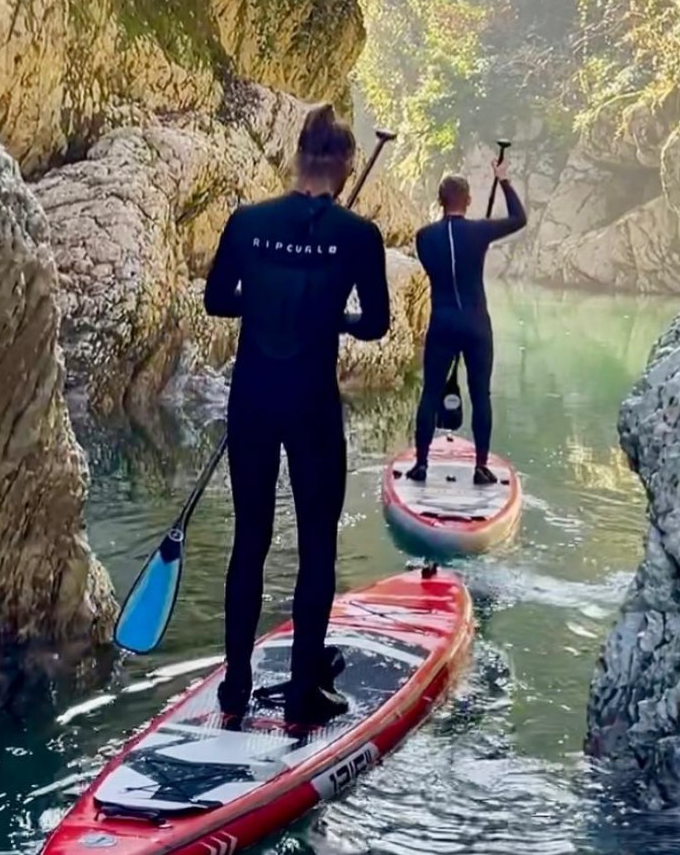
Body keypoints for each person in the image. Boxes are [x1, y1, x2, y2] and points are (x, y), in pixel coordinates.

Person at [203, 104, 390, 727]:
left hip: (252, 396)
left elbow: (215, 300)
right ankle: (303, 690)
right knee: (316, 548)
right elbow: (378, 324)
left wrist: (263, 302)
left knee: (248, 542)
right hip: (312, 403)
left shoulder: (247, 221)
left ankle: (234, 687)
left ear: (298, 158)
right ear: (343, 165)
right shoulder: (359, 236)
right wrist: (332, 316)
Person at [410, 159, 527, 486]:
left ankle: (421, 465)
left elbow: (442, 262)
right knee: (480, 396)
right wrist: (503, 180)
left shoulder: (423, 237)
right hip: (476, 326)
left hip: (443, 324)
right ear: (470, 200)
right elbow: (520, 218)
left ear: (439, 200)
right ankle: (480, 467)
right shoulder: (480, 231)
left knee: (430, 394)